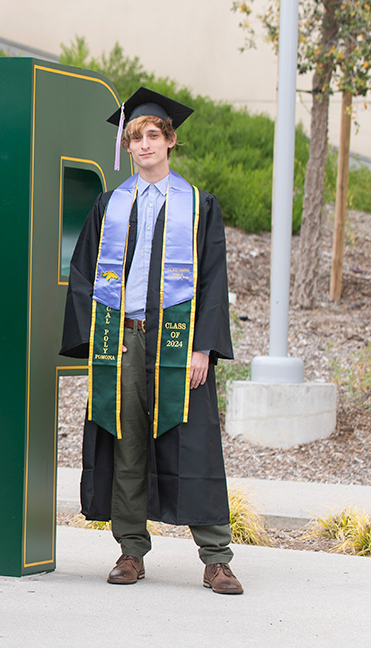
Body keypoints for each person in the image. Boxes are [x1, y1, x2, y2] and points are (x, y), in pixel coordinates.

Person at [60, 88, 242, 594]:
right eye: (135, 137)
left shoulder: (199, 207)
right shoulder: (110, 205)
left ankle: (216, 557)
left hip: (178, 342)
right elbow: (83, 275)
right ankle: (130, 550)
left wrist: (203, 346)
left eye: (152, 136)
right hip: (124, 339)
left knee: (194, 441)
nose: (143, 145)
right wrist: (98, 339)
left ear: (170, 141)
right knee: (126, 442)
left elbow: (212, 278)